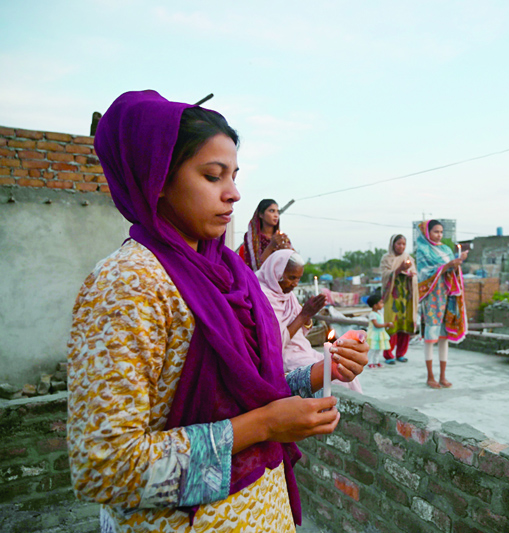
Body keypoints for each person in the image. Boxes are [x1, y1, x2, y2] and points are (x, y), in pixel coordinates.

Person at [67, 90, 368, 532]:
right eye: (212, 176)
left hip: (263, 511)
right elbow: (106, 466)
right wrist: (265, 426)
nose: (233, 193)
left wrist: (326, 370)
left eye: (234, 175)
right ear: (158, 181)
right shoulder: (129, 284)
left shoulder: (231, 275)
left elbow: (247, 386)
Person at [257, 249, 362, 392]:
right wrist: (304, 315)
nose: (295, 284)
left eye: (298, 279)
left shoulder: (288, 296)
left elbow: (301, 333)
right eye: (291, 277)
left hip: (303, 349)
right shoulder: (261, 296)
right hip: (283, 358)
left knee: (344, 368)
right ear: (276, 272)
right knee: (334, 378)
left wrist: (309, 314)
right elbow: (273, 344)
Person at [416, 220, 468, 388]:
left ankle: (443, 376)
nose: (439, 235)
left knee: (444, 338)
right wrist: (447, 266)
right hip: (432, 298)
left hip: (447, 297)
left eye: (441, 232)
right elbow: (424, 273)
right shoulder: (422, 250)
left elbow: (451, 270)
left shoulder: (446, 249)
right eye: (436, 231)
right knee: (430, 338)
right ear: (427, 232)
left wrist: (457, 263)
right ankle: (430, 376)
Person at [379, 234, 419, 364]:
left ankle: (401, 353)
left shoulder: (408, 258)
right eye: (398, 244)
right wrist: (399, 269)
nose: (401, 247)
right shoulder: (387, 259)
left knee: (404, 325)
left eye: (403, 244)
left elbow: (415, 275)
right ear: (393, 244)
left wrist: (411, 275)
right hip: (392, 296)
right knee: (392, 325)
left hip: (406, 296)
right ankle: (388, 354)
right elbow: (385, 276)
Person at [238, 198, 292, 270]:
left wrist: (287, 251)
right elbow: (256, 267)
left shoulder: (281, 238)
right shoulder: (252, 238)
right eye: (272, 211)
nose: (276, 215)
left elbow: (293, 264)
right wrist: (271, 246)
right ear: (261, 214)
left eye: (278, 212)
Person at [366, 294, 392, 369]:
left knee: (378, 349)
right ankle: (370, 362)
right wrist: (386, 324)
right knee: (372, 349)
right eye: (381, 303)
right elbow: (376, 325)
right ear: (375, 305)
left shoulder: (380, 313)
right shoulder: (372, 314)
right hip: (374, 334)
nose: (382, 304)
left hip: (380, 334)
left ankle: (376, 361)